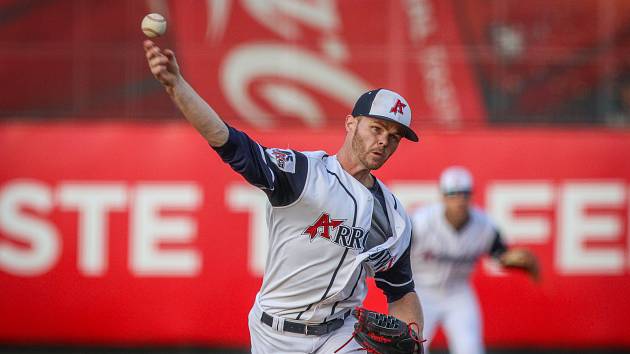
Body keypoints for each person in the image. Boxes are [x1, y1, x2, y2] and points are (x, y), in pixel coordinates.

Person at [143, 39, 424, 353]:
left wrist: (413, 338)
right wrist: (177, 86)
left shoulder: (394, 217)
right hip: (274, 334)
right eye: (376, 128)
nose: (384, 141)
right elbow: (229, 143)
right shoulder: (303, 174)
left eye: (394, 136)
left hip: (342, 334)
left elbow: (401, 291)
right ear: (351, 123)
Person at [409, 166, 539, 354]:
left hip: (458, 293)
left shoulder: (484, 226)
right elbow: (397, 252)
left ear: (471, 195)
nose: (459, 200)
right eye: (453, 194)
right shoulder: (420, 222)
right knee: (412, 349)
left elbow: (500, 255)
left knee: (470, 349)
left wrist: (514, 259)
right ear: (443, 196)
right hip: (421, 292)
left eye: (464, 193)